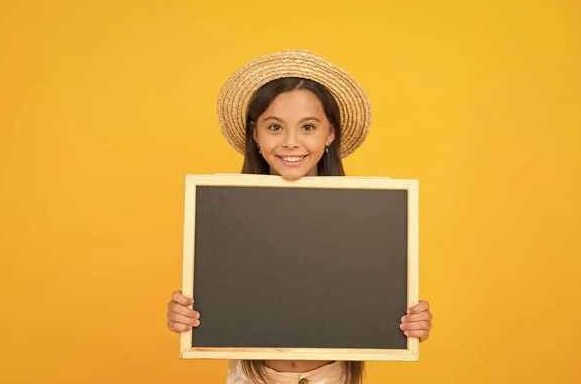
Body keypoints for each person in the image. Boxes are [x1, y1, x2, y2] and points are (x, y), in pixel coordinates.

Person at [166, 49, 433, 384]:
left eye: (308, 126)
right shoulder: (228, 215)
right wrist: (186, 314)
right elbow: (221, 298)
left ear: (330, 134)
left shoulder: (366, 220)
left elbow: (373, 300)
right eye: (275, 126)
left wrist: (409, 323)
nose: (291, 142)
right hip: (250, 378)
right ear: (255, 134)